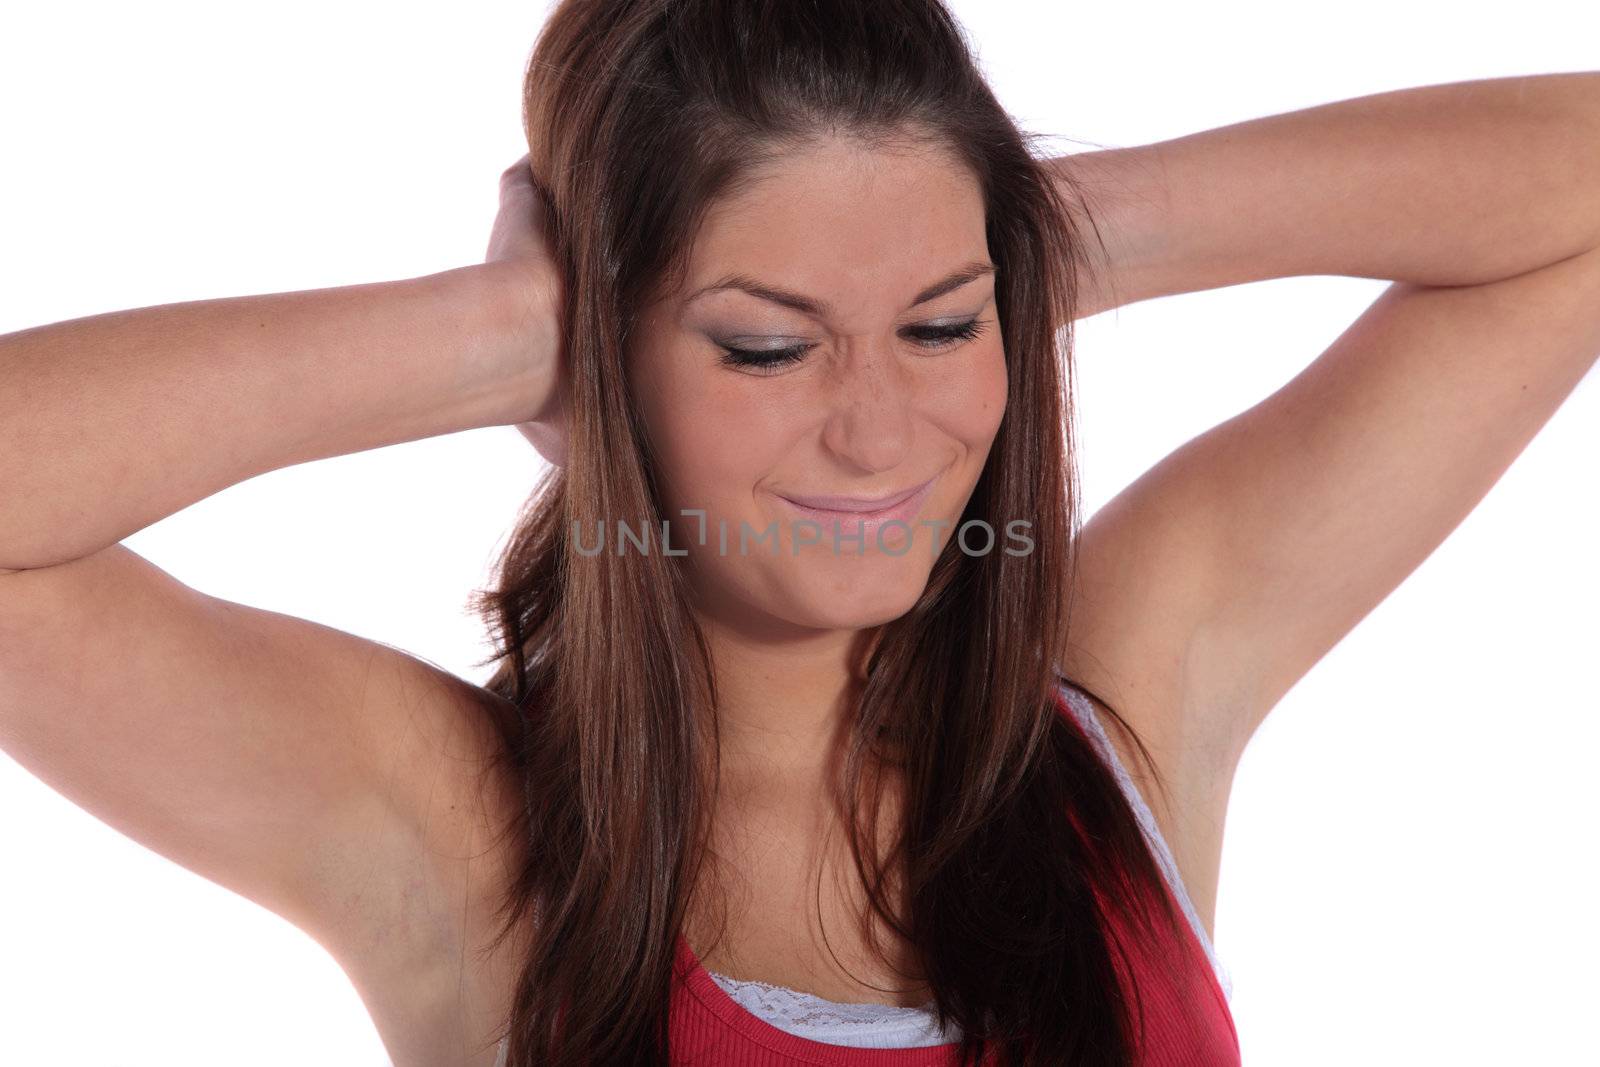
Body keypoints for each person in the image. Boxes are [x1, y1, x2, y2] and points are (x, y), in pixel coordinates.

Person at [5, 1, 1597, 1064]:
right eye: (766, 347)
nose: (877, 432)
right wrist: (504, 330)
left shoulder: (1118, 715)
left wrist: (1036, 238)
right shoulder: (463, 831)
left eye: (941, 328)